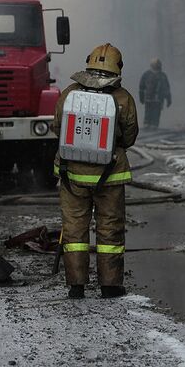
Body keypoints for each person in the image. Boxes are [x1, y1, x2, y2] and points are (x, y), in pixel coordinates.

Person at [51, 43, 139, 299]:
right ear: (117, 67)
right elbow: (130, 137)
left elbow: (58, 128)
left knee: (75, 230)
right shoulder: (123, 98)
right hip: (109, 176)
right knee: (110, 228)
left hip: (71, 176)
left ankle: (76, 286)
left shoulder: (68, 94)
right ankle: (110, 286)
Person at [138, 58, 171, 129]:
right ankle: (148, 124)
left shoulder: (161, 75)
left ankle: (152, 125)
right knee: (149, 112)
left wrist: (168, 99)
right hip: (151, 99)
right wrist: (141, 97)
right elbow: (141, 87)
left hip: (156, 99)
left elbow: (166, 89)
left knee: (154, 112)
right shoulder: (148, 74)